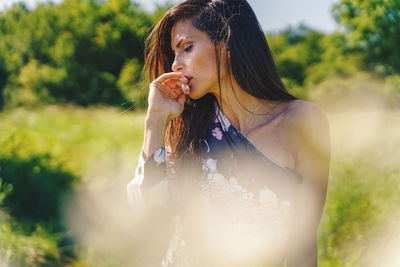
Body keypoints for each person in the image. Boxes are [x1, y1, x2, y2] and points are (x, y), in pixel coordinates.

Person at [127, 0, 330, 266]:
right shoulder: (190, 127)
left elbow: (302, 243)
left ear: (227, 43)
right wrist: (155, 120)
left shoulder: (302, 122)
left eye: (186, 47)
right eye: (173, 53)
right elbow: (148, 216)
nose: (175, 64)